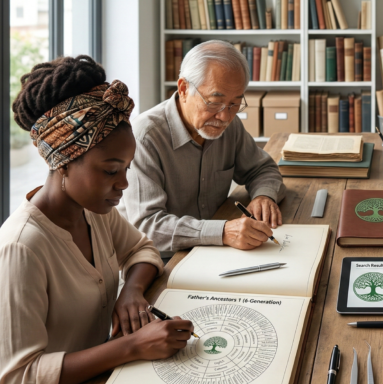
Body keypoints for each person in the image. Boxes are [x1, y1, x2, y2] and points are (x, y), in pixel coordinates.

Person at [0, 56, 194, 384]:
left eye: (127, 168)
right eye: (111, 170)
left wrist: (131, 291)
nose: (123, 184)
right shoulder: (22, 247)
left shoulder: (92, 211)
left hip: (88, 375)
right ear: (62, 163)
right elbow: (20, 382)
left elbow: (142, 248)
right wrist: (130, 345)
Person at [119, 40, 286, 258]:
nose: (225, 116)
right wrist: (222, 232)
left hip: (213, 250)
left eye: (235, 104)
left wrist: (264, 196)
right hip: (157, 260)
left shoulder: (230, 126)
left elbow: (262, 169)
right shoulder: (144, 137)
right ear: (184, 89)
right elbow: (148, 225)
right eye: (214, 102)